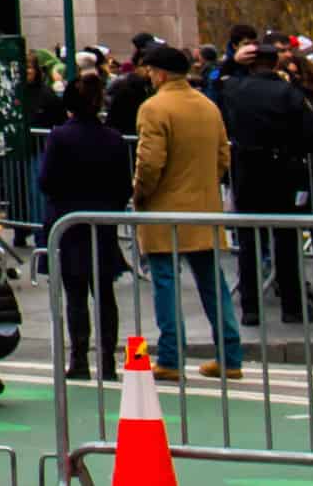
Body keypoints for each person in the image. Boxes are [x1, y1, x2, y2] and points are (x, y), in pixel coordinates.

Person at [129, 43, 238, 381]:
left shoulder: (153, 108)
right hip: (204, 207)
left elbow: (149, 163)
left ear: (159, 74)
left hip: (165, 208)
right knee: (212, 282)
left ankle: (172, 357)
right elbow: (223, 157)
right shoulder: (207, 106)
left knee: (165, 282)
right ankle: (230, 355)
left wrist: (139, 193)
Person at [211, 39, 313, 326]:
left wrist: (231, 62)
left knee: (249, 240)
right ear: (276, 63)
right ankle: (293, 306)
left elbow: (215, 85)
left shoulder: (235, 89)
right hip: (282, 169)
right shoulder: (288, 92)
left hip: (247, 170)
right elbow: (312, 135)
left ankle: (251, 308)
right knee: (287, 239)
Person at [36, 73, 131, 379]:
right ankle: (108, 361)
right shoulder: (114, 138)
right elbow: (123, 186)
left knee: (75, 293)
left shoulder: (59, 137)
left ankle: (79, 359)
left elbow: (46, 180)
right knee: (104, 293)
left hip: (69, 220)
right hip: (103, 221)